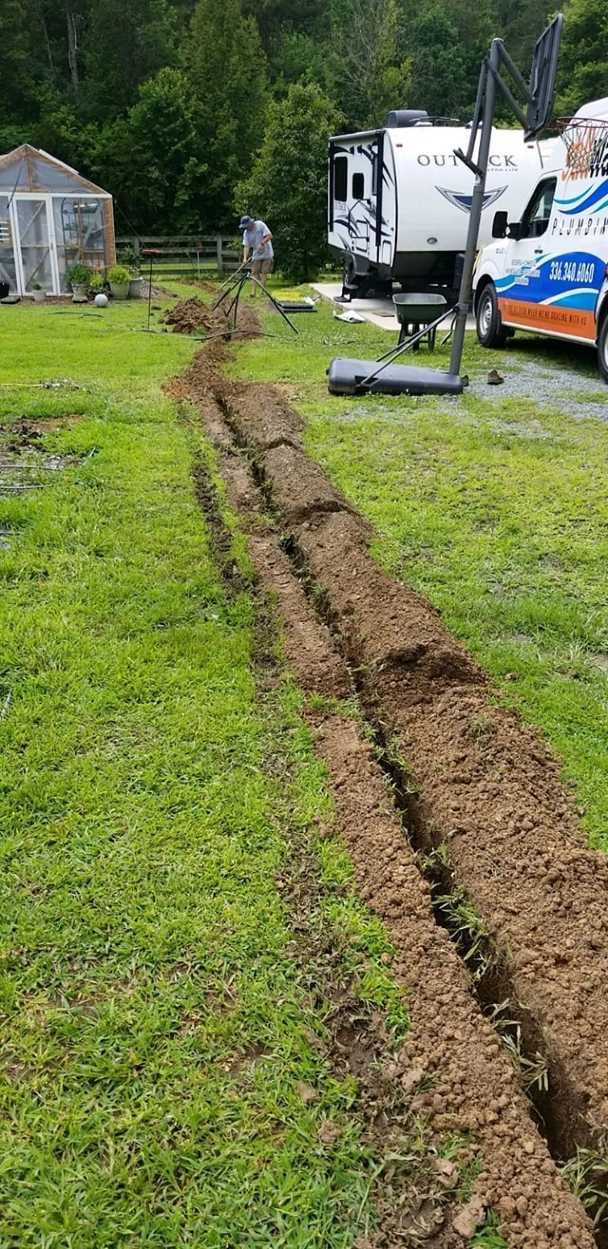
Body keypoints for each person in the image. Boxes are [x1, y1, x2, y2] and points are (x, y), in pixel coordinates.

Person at [239, 215, 273, 297]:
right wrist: (245, 258)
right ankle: (253, 292)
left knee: (264, 272)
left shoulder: (260, 225)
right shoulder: (246, 233)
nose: (245, 228)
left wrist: (262, 242)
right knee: (254, 272)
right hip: (256, 254)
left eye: (246, 226)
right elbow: (246, 246)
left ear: (250, 223)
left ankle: (262, 292)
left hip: (267, 252)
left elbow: (270, 235)